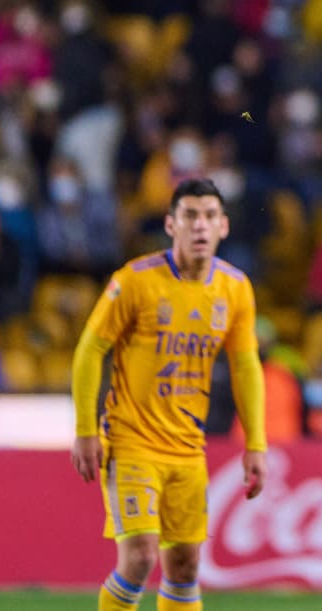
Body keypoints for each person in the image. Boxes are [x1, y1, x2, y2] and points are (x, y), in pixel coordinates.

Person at [70, 178, 266, 611]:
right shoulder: (135, 281)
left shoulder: (234, 288)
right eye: (191, 216)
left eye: (210, 216)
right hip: (131, 441)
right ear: (171, 225)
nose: (201, 226)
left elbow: (245, 365)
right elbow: (90, 350)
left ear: (224, 227)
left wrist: (255, 443)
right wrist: (85, 430)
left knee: (184, 564)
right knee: (139, 556)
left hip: (187, 448)